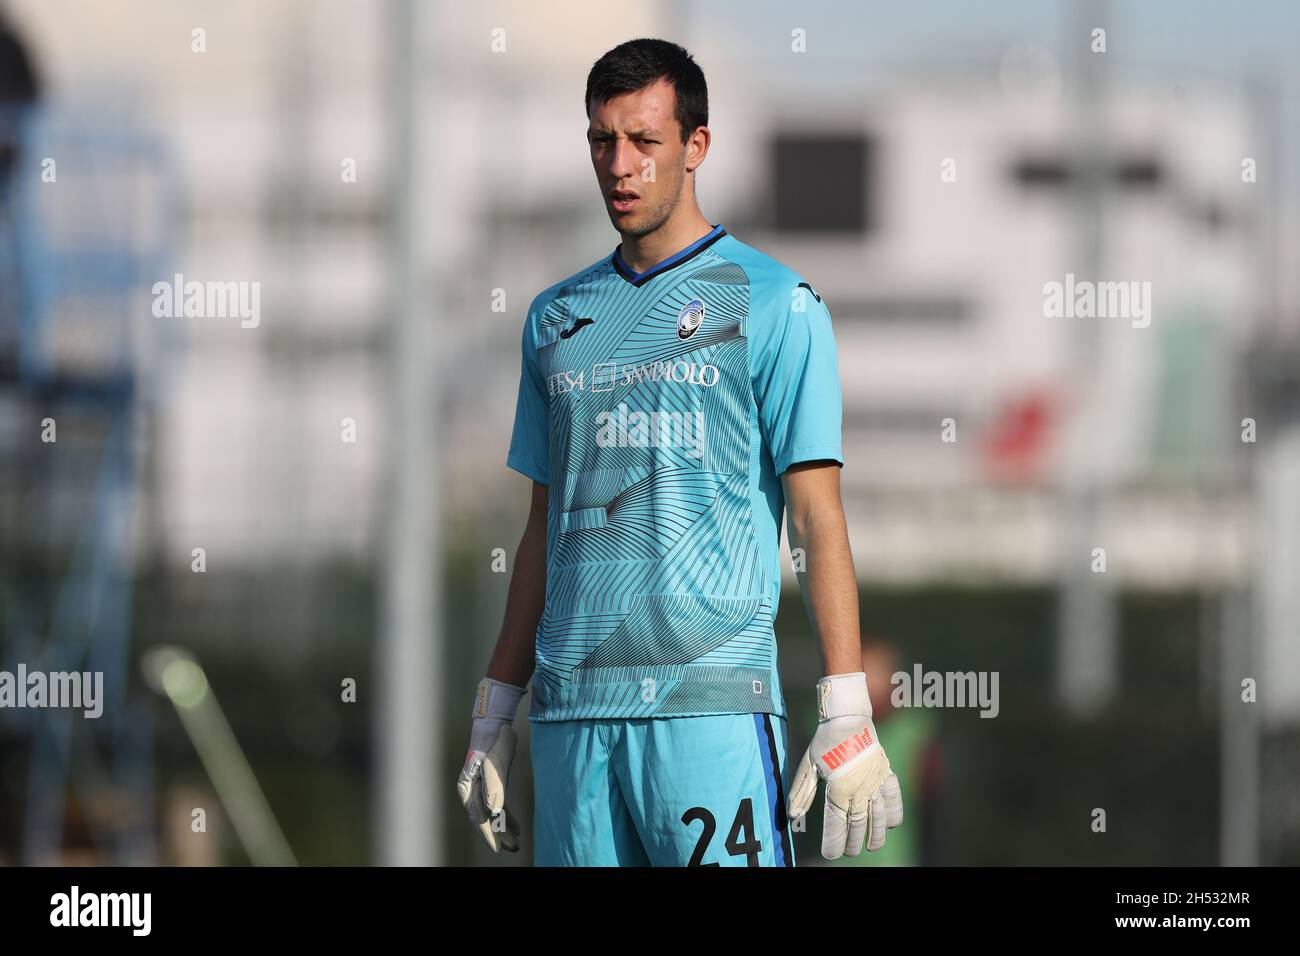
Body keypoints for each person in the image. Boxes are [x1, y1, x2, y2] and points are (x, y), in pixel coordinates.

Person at [457, 38, 901, 866]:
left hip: (713, 711)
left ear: (696, 146)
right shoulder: (555, 318)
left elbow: (815, 513)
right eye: (601, 140)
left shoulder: (777, 305)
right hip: (571, 719)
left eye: (644, 141)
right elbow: (542, 529)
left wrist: (845, 704)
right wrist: (495, 711)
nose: (619, 165)